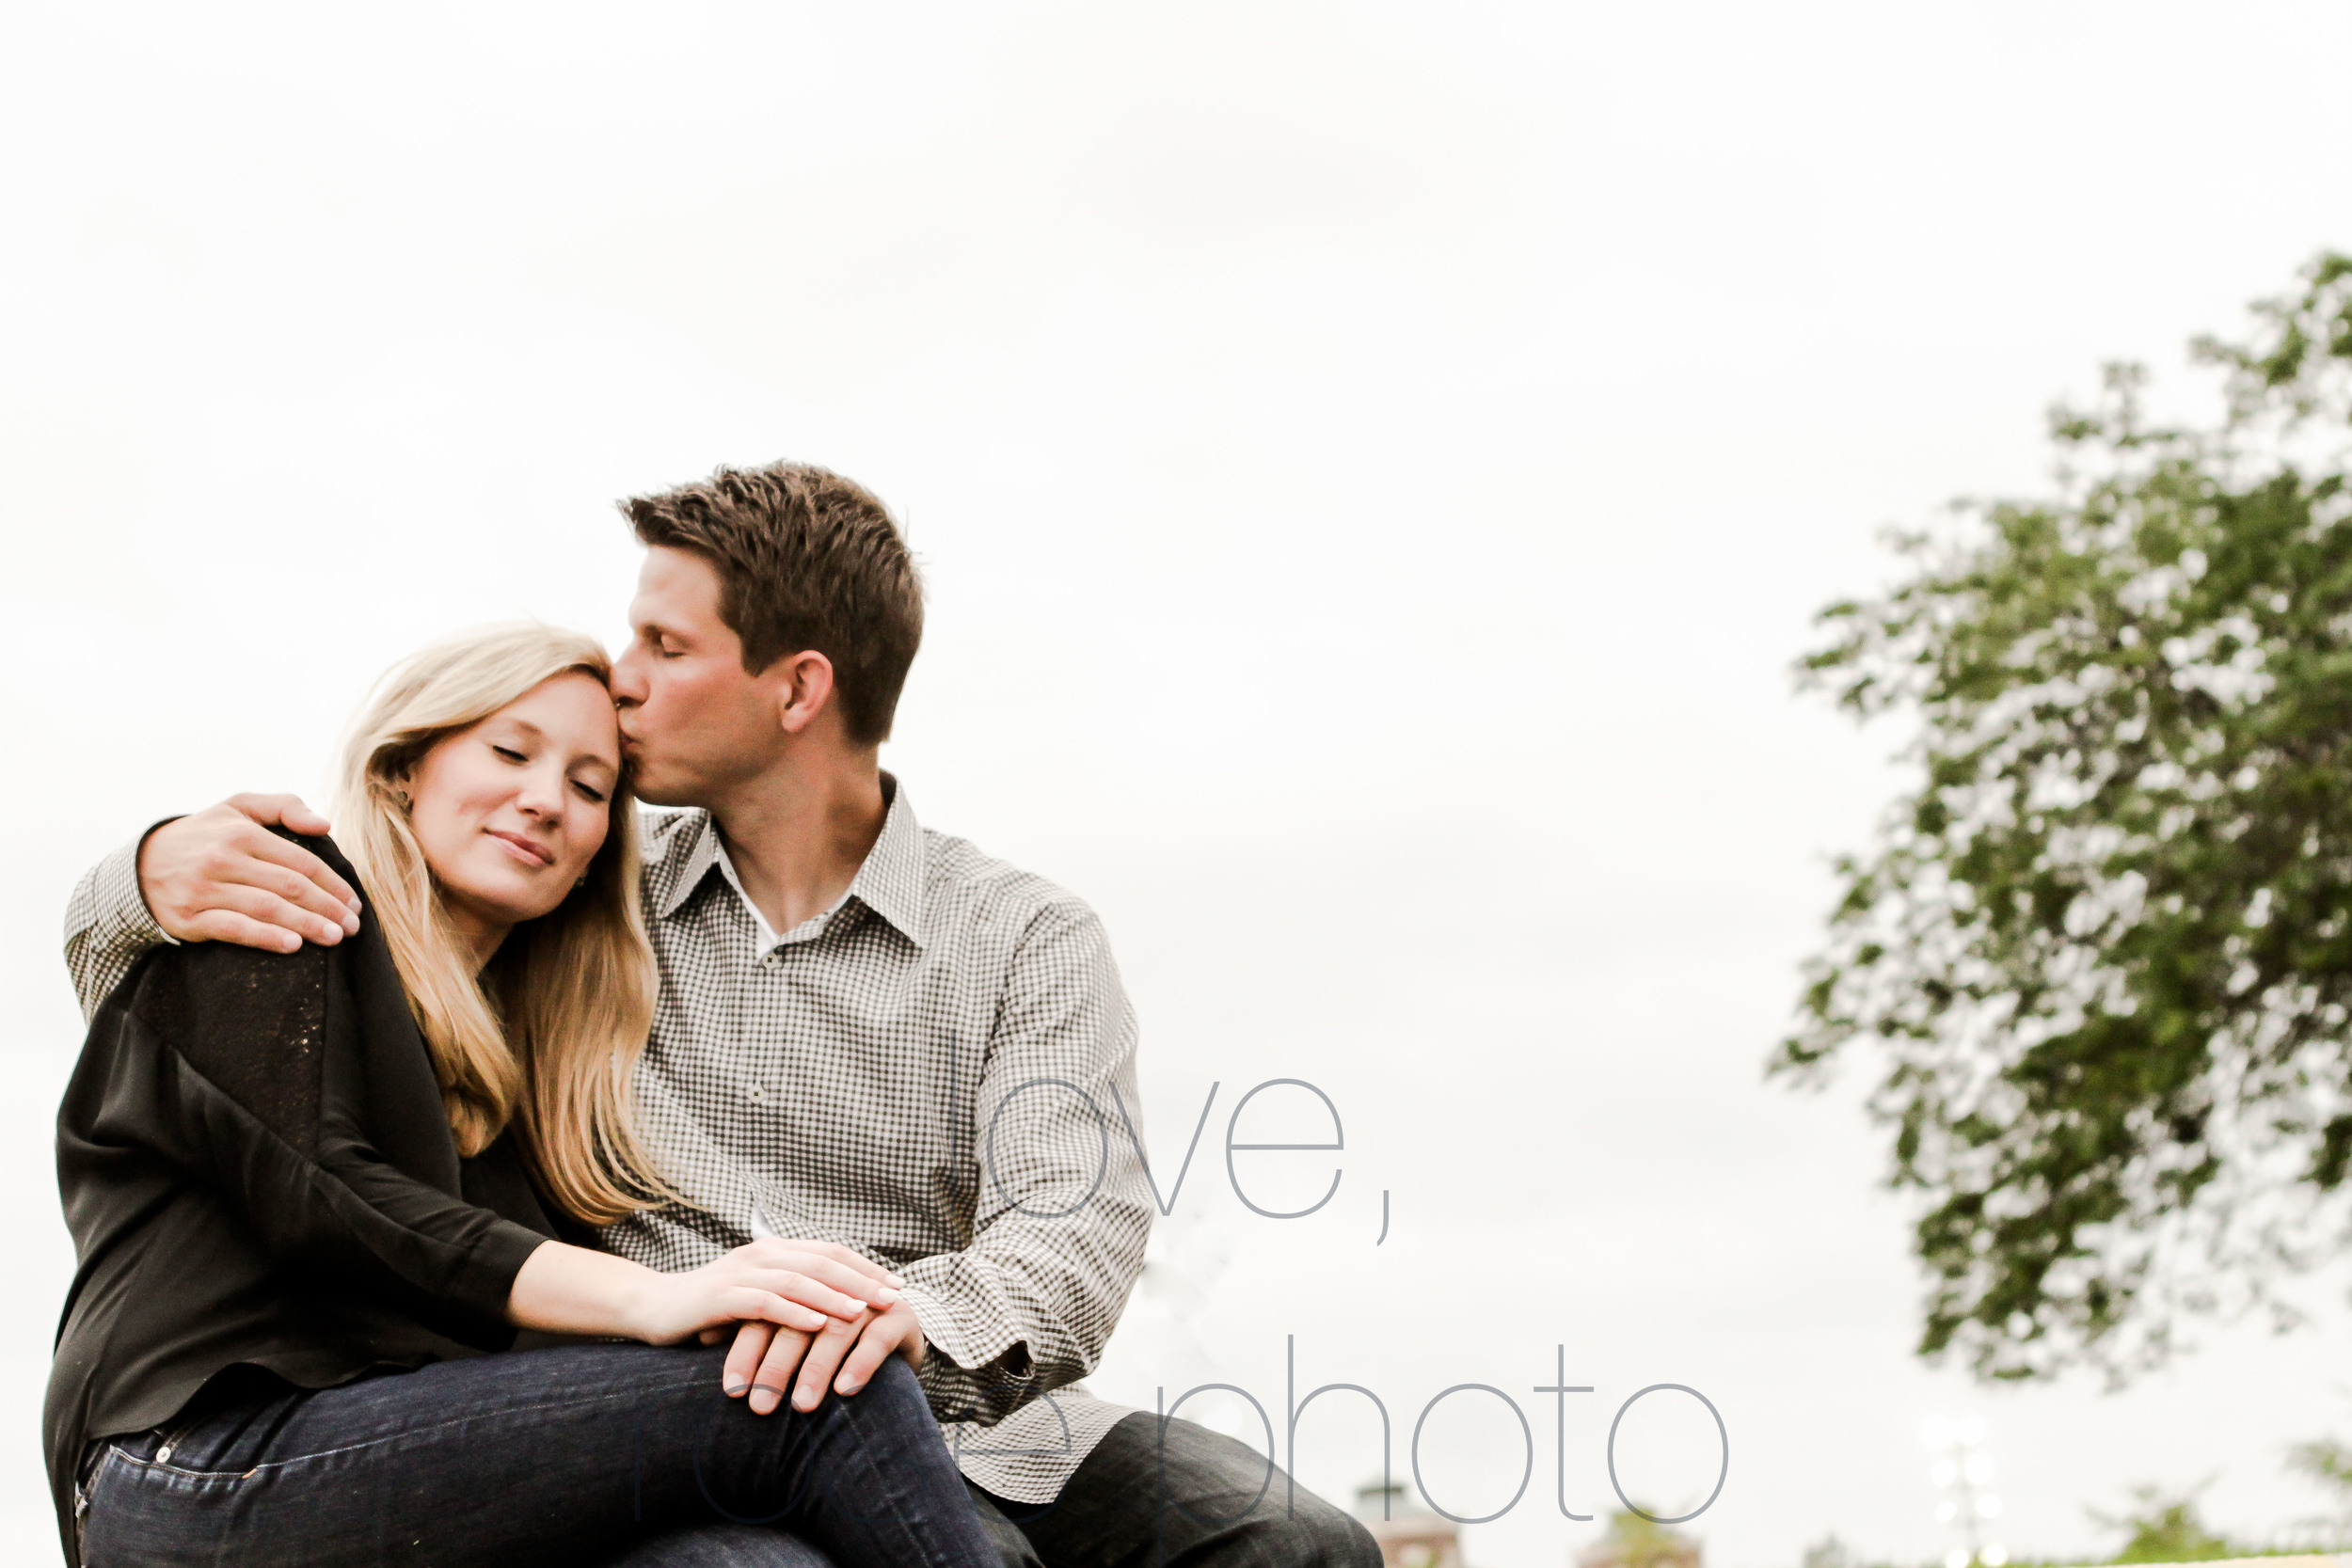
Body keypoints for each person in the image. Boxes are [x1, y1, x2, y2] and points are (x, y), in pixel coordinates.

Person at [64, 463, 1384, 1568]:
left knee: (1292, 1539)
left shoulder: (1023, 934)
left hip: (963, 1407)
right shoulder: (580, 903)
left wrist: (891, 1326)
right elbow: (261, 1043)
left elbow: (1075, 1233)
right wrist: (136, 871)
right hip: (663, 1413)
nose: (620, 678)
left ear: (796, 689)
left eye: (665, 646)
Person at [48, 624, 1000, 1568]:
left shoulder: (517, 1079)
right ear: (404, 768)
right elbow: (331, 1197)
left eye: (590, 788)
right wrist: (660, 1299)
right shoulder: (286, 907)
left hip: (384, 1465)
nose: (545, 800)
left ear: (597, 852)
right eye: (509, 750)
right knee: (821, 1390)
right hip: (193, 1465)